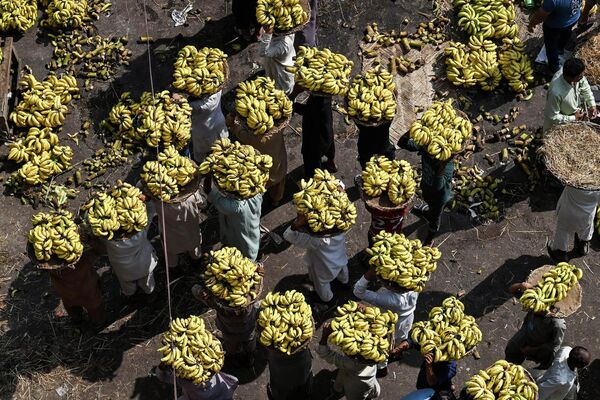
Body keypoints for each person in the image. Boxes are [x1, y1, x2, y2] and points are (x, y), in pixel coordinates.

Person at [353, 264, 418, 377]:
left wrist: (370, 272)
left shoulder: (389, 299)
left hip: (389, 324)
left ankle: (382, 367)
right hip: (407, 319)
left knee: (383, 346)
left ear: (391, 286)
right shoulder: (415, 283)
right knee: (402, 337)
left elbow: (358, 292)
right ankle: (398, 352)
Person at [398, 134, 453, 245]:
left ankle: (429, 239)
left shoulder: (447, 167)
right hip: (426, 187)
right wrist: (411, 132)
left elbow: (438, 187)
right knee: (428, 203)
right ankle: (427, 212)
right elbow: (402, 143)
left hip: (439, 197)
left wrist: (441, 169)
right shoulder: (426, 149)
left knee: (434, 219)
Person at [283, 213, 349, 305]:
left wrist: (296, 224)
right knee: (343, 269)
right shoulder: (341, 228)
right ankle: (344, 282)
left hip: (325, 268)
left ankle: (328, 299)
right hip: (340, 257)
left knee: (321, 284)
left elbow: (288, 235)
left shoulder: (317, 240)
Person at [192, 283, 260, 368]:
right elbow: (256, 291)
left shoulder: (218, 305)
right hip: (248, 331)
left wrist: (202, 292)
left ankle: (235, 357)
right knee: (250, 344)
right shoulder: (250, 302)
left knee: (232, 347)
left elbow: (195, 289)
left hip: (229, 332)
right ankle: (250, 358)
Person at [227, 113, 287, 206]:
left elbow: (232, 125)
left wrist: (232, 115)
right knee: (278, 184)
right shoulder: (278, 130)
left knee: (261, 185)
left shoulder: (249, 137)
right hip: (278, 164)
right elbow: (286, 117)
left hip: (261, 168)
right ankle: (276, 200)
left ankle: (260, 201)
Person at [504, 282, 567, 369]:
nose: (532, 310)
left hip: (540, 346)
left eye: (536, 309)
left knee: (542, 368)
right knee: (511, 354)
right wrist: (520, 285)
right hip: (526, 333)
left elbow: (554, 345)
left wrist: (532, 349)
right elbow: (512, 290)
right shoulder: (532, 301)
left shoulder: (557, 324)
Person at [316, 321, 381, 400]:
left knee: (356, 396)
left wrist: (325, 335)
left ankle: (338, 391)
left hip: (357, 385)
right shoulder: (373, 357)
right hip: (369, 376)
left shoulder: (348, 363)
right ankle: (337, 390)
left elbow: (325, 353)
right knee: (369, 388)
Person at [204, 177, 263, 262]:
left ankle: (252, 261)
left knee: (245, 251)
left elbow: (207, 190)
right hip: (253, 227)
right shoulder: (257, 191)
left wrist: (208, 174)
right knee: (253, 238)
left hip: (240, 240)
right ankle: (256, 253)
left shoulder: (233, 207)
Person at [48, 245, 105, 326]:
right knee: (95, 309)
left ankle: (77, 319)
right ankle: (99, 322)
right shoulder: (84, 259)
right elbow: (99, 250)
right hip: (88, 292)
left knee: (72, 308)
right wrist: (91, 240)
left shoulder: (52, 268)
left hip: (66, 293)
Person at [152, 189, 204, 269]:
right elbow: (202, 203)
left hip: (171, 237)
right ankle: (196, 261)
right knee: (194, 247)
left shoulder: (160, 203)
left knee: (171, 253)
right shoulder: (191, 196)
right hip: (191, 231)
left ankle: (173, 267)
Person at [543, 58, 597, 133]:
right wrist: (573, 118)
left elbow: (585, 87)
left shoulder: (577, 75)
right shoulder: (555, 93)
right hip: (560, 124)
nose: (582, 77)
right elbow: (553, 116)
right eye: (580, 76)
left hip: (575, 114)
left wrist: (592, 105)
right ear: (570, 77)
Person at [527, 0, 582, 74]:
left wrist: (532, 24)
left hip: (555, 26)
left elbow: (540, 16)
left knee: (551, 46)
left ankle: (554, 67)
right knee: (566, 33)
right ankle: (560, 48)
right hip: (573, 17)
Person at [547, 186, 600, 261]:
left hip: (568, 212)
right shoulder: (597, 188)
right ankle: (583, 247)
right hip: (586, 216)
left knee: (563, 231)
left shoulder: (572, 183)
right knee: (587, 229)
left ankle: (560, 253)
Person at [103, 226, 158, 296]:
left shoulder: (108, 241)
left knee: (128, 285)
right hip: (144, 267)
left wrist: (89, 239)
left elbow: (98, 241)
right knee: (147, 282)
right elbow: (149, 216)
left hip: (124, 271)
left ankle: (130, 293)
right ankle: (149, 291)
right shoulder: (140, 232)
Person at [296, 94, 337, 177]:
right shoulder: (326, 92)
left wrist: (293, 105)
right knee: (328, 132)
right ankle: (331, 161)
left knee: (312, 152)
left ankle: (313, 176)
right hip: (324, 112)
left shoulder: (317, 102)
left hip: (315, 131)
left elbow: (310, 111)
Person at [156, 362, 239, 400]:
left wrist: (161, 366)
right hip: (222, 394)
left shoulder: (183, 381)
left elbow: (162, 377)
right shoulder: (212, 369)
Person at [187, 92, 229, 164]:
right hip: (219, 128)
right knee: (224, 150)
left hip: (203, 136)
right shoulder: (216, 95)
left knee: (200, 156)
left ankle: (200, 167)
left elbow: (182, 106)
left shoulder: (195, 106)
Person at [259, 28, 296, 95]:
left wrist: (268, 34)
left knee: (280, 94)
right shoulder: (289, 32)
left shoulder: (284, 44)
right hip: (275, 64)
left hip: (281, 76)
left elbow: (263, 52)